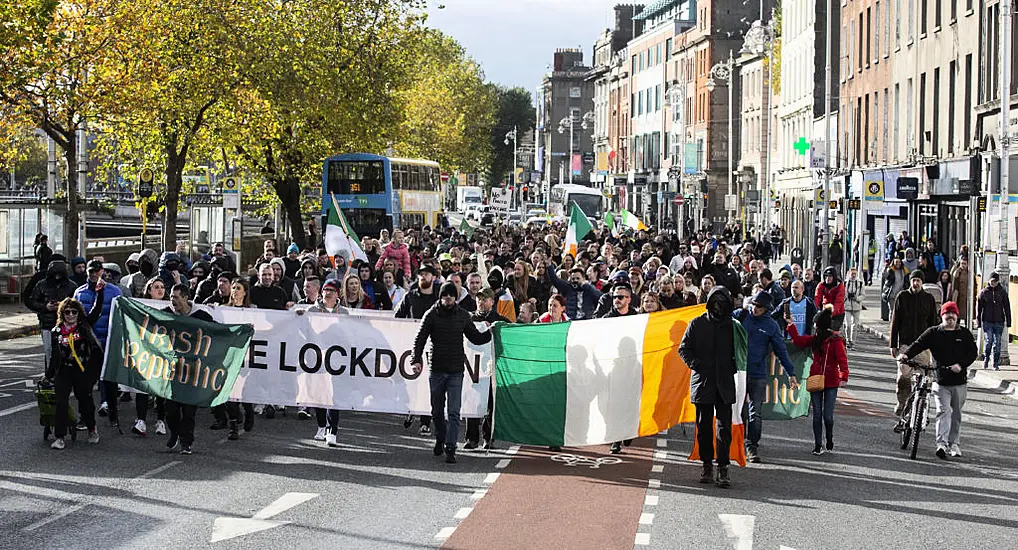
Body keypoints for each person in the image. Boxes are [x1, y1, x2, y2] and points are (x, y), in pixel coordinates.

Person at [411, 282, 493, 464]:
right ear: (440, 296)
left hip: (456, 370)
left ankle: (451, 448)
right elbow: (420, 339)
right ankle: (441, 437)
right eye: (445, 295)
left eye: (452, 295)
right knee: (437, 411)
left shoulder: (463, 316)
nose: (448, 298)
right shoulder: (431, 315)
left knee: (454, 412)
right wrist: (415, 360)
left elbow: (476, 338)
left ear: (456, 297)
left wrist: (491, 332)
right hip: (437, 369)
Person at [897, 302, 977, 459]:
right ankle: (941, 444)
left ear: (957, 317)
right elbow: (919, 344)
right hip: (940, 381)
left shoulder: (964, 334)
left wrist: (961, 365)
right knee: (943, 411)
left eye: (953, 315)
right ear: (942, 316)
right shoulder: (933, 333)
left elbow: (972, 352)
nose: (950, 318)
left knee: (956, 414)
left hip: (959, 381)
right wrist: (906, 355)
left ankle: (954, 444)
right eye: (947, 315)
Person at [679, 287, 737, 488]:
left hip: (725, 382)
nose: (719, 306)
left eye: (723, 302)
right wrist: (697, 365)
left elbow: (743, 351)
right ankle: (706, 465)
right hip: (703, 382)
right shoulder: (697, 323)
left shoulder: (733, 326)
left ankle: (723, 467)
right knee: (703, 428)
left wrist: (734, 367)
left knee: (724, 428)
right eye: (715, 302)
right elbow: (683, 348)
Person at [735, 291, 798, 463]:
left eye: (759, 307)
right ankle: (738, 442)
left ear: (766, 309)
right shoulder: (741, 316)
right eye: (754, 305)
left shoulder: (771, 326)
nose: (755, 309)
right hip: (739, 371)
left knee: (755, 411)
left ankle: (751, 446)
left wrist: (791, 373)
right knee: (738, 411)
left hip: (757, 373)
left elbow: (781, 351)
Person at [786, 306, 849, 455]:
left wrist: (843, 375)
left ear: (819, 325)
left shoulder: (835, 341)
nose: (814, 326)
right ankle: (818, 444)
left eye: (815, 324)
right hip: (816, 379)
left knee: (828, 416)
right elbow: (798, 340)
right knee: (817, 415)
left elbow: (842, 360)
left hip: (831, 381)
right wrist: (790, 325)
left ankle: (829, 437)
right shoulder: (815, 339)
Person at [45, 297, 104, 449]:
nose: (70, 315)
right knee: (61, 402)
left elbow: (96, 312)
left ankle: (92, 428)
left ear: (79, 313)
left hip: (82, 370)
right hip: (64, 370)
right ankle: (59, 437)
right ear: (62, 314)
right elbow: (54, 355)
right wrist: (49, 374)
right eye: (67, 312)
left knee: (85, 400)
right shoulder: (56, 332)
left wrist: (100, 292)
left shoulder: (83, 327)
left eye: (74, 312)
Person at [163, 284, 215, 454]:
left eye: (176, 297)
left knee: (188, 411)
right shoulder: (166, 314)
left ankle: (186, 442)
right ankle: (175, 433)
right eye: (171, 297)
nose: (173, 300)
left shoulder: (201, 316)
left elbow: (220, 331)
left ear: (186, 298)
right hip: (173, 371)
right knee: (170, 410)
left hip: (194, 372)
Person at [73, 260, 122, 426]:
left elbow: (121, 316)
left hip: (108, 342)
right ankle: (85, 416)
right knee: (84, 383)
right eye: (90, 272)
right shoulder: (79, 293)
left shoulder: (114, 291)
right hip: (88, 344)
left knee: (109, 381)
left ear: (102, 272)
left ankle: (113, 412)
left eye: (96, 271)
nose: (93, 275)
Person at [889, 271, 939, 425]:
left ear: (922, 282)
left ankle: (919, 408)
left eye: (918, 280)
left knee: (924, 378)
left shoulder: (928, 299)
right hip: (905, 344)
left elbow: (933, 324)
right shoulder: (902, 297)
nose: (915, 283)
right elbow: (895, 321)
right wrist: (893, 344)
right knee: (903, 376)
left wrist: (936, 346)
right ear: (910, 282)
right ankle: (902, 402)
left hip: (923, 347)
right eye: (913, 280)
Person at [397, 265, 441, 434]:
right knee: (412, 381)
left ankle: (425, 420)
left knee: (427, 383)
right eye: (421, 274)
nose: (423, 277)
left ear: (433, 277)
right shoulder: (410, 296)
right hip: (413, 344)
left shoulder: (438, 297)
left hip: (433, 345)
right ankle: (411, 410)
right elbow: (398, 318)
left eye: (426, 274)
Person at [464, 288, 508, 450]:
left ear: (492, 301)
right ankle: (471, 438)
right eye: (479, 299)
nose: (481, 302)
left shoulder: (500, 321)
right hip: (473, 367)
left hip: (491, 368)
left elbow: (507, 343)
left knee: (491, 404)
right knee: (473, 402)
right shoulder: (468, 318)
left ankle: (488, 438)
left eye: (485, 299)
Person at [305, 279, 345, 446]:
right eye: (326, 290)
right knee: (320, 393)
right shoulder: (312, 310)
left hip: (336, 359)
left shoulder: (344, 312)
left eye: (332, 290)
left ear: (337, 294)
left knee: (334, 395)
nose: (328, 293)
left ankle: (332, 430)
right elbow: (303, 329)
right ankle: (321, 425)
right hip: (317, 358)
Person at [599, 282, 637, 454]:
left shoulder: (637, 318)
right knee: (613, 403)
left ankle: (628, 430)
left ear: (628, 299)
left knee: (630, 402)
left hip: (631, 366)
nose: (617, 300)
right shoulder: (607, 319)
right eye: (614, 297)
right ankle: (615, 439)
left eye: (620, 297)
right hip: (613, 367)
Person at [27, 258, 78, 375]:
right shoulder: (41, 285)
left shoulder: (71, 286)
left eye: (60, 274)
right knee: (49, 351)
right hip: (48, 323)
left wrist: (63, 306)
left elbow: (77, 304)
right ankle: (50, 375)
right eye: (55, 274)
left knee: (67, 350)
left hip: (66, 324)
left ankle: (65, 375)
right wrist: (46, 307)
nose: (57, 277)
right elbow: (32, 302)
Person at [975, 271, 1011, 371]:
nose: (993, 283)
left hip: (999, 321)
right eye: (992, 281)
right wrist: (978, 321)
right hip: (987, 320)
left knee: (997, 342)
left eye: (995, 281)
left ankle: (995, 363)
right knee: (989, 341)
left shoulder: (1002, 292)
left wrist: (1008, 321)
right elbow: (979, 308)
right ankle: (986, 359)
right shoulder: (984, 292)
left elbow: (1007, 307)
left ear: (998, 281)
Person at [843, 267, 865, 349]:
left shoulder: (860, 283)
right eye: (852, 274)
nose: (853, 275)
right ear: (849, 274)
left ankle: (853, 341)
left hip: (856, 306)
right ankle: (848, 340)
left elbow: (863, 295)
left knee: (855, 325)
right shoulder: (845, 283)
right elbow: (841, 294)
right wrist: (845, 299)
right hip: (847, 306)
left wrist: (856, 298)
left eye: (855, 274)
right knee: (848, 324)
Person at [882, 257, 908, 322]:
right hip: (891, 294)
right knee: (892, 310)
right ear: (893, 263)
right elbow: (885, 275)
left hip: (900, 294)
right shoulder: (890, 270)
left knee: (900, 311)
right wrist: (885, 268)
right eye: (896, 262)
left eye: (899, 262)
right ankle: (891, 324)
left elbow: (906, 280)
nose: (898, 264)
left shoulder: (904, 271)